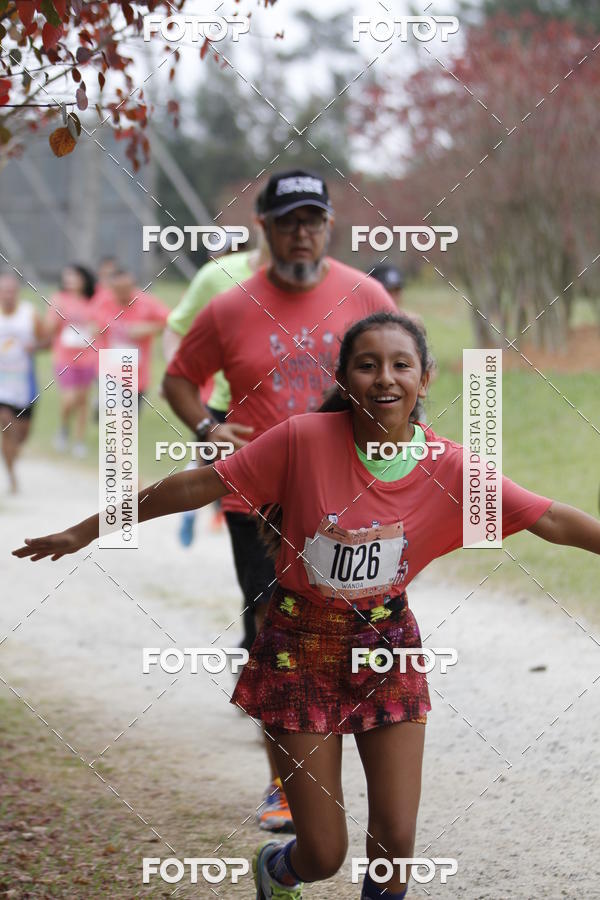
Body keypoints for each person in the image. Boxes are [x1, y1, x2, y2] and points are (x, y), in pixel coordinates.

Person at [14, 311, 600, 900]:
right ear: (344, 379)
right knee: (323, 853)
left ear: (426, 380)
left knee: (396, 844)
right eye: (367, 365)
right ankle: (278, 869)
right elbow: (198, 486)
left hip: (386, 649)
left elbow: (548, 517)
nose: (385, 378)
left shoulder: (450, 467)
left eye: (401, 365)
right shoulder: (302, 440)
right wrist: (87, 530)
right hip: (298, 649)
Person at [162, 169, 397, 831]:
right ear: (263, 228)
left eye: (313, 220)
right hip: (257, 501)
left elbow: (405, 371)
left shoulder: (366, 294)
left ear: (328, 225)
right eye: (288, 221)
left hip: (353, 497)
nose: (302, 233)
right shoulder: (230, 305)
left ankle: (363, 775)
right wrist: (208, 428)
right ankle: (288, 787)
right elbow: (179, 379)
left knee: (357, 637)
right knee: (276, 634)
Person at [163, 201, 270, 547]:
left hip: (266, 401)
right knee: (207, 463)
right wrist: (177, 374)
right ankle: (194, 514)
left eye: (227, 251)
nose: (220, 259)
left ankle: (219, 515)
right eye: (217, 253)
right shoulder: (209, 283)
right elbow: (175, 328)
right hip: (216, 396)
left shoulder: (270, 277)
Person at [46, 264, 100, 458]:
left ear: (83, 279)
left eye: (74, 277)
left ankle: (79, 441)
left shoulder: (93, 300)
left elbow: (100, 324)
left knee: (83, 401)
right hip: (64, 357)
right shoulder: (59, 299)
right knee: (69, 399)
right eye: (67, 276)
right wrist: (57, 315)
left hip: (88, 357)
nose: (69, 280)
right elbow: (50, 328)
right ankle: (63, 429)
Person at [95, 267, 170, 408]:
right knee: (116, 420)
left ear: (133, 286)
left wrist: (148, 328)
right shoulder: (103, 302)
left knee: (129, 422)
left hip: (137, 374)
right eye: (118, 289)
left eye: (126, 288)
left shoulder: (147, 303)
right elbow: (91, 325)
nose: (123, 293)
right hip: (110, 371)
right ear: (111, 288)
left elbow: (172, 322)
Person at [0, 272, 46, 492]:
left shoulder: (29, 314)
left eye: (12, 291)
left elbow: (46, 341)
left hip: (25, 385)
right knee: (6, 423)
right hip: (2, 385)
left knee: (22, 434)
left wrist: (35, 346)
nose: (8, 295)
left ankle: (11, 455)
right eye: (4, 291)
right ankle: (11, 477)